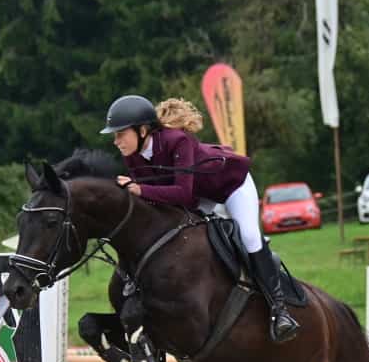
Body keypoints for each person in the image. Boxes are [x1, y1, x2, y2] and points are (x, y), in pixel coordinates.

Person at [100, 94, 299, 344]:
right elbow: (158, 200)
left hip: (231, 185)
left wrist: (139, 190)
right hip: (198, 196)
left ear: (142, 131)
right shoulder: (132, 155)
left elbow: (182, 193)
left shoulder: (178, 141)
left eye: (120, 134)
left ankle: (280, 311)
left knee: (248, 236)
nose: (116, 141)